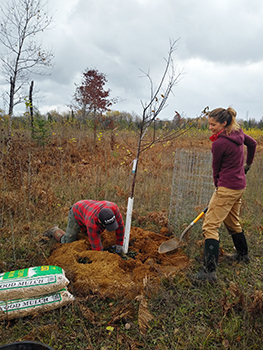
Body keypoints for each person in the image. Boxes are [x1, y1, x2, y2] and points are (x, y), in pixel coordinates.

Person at [195, 107, 257, 282]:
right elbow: (253, 144)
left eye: (213, 124)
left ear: (224, 123)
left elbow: (216, 169)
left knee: (210, 226)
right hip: (239, 186)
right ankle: (243, 255)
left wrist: (218, 187)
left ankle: (209, 272)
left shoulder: (219, 143)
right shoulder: (238, 132)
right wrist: (248, 165)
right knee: (231, 220)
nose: (210, 127)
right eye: (209, 124)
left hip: (227, 188)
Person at [43, 200, 125, 253]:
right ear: (99, 221)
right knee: (67, 241)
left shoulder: (114, 208)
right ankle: (53, 230)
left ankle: (82, 232)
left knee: (89, 234)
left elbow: (120, 227)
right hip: (76, 212)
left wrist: (119, 244)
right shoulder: (92, 223)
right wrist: (103, 257)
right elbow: (97, 250)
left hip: (87, 208)